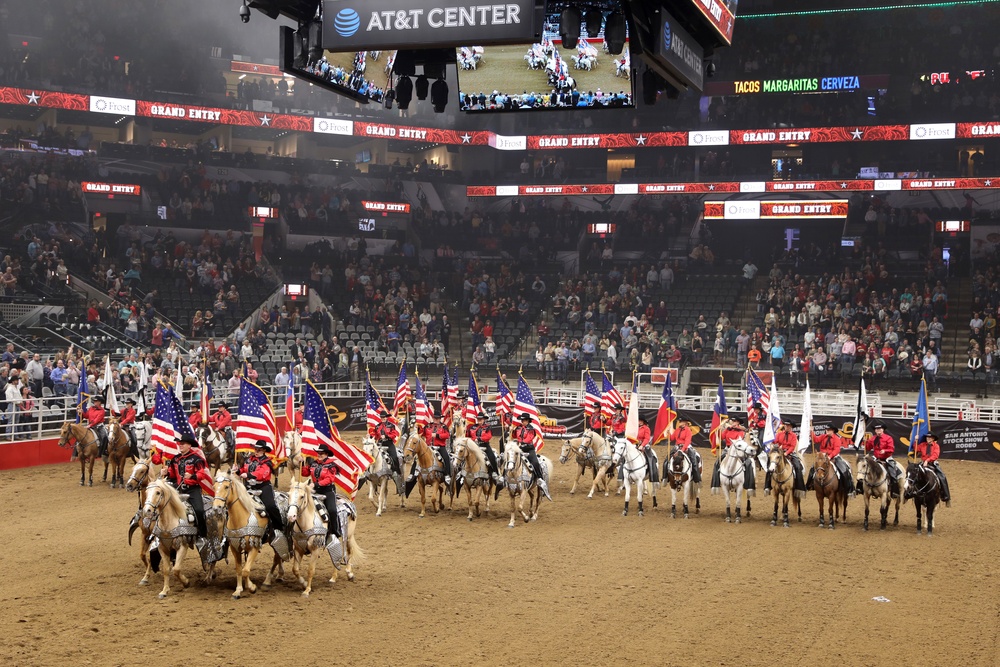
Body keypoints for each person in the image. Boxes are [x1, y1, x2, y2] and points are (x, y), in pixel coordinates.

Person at [161, 435, 208, 537]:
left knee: (199, 510)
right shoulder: (176, 459)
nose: (180, 445)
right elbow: (172, 474)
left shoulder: (196, 459)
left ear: (189, 445)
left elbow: (202, 474)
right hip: (178, 488)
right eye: (180, 443)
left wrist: (192, 476)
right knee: (161, 501)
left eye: (183, 444)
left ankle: (202, 534)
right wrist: (166, 473)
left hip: (193, 489)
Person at [239, 440, 285, 539]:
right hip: (249, 487)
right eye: (255, 449)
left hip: (263, 486)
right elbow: (243, 469)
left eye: (259, 450)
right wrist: (238, 470)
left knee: (270, 506)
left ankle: (279, 528)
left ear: (264, 450)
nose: (256, 451)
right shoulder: (248, 460)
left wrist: (248, 475)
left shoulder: (267, 462)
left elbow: (262, 473)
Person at [301, 444, 341, 538]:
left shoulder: (331, 466)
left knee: (332, 510)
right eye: (318, 453)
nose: (319, 455)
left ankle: (335, 530)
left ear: (326, 454)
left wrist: (316, 484)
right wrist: (302, 464)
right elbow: (304, 473)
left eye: (321, 453)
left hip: (327, 491)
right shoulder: (313, 463)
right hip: (314, 491)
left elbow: (329, 479)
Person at [512, 413, 552, 500]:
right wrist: (512, 430)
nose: (523, 422)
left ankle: (540, 479)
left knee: (535, 463)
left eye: (524, 420)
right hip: (519, 449)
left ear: (528, 421)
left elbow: (529, 438)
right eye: (522, 420)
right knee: (511, 460)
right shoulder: (518, 428)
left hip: (529, 449)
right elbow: (514, 436)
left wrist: (521, 443)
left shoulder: (531, 429)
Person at [808, 425, 854, 498]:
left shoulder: (837, 439)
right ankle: (809, 485)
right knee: (813, 467)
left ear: (833, 431)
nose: (827, 431)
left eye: (829, 430)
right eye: (827, 430)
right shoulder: (823, 436)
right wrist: (812, 432)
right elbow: (816, 440)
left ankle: (848, 488)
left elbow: (837, 450)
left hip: (833, 457)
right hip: (822, 457)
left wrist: (829, 456)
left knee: (843, 469)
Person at [766, 419, 806, 494]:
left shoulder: (794, 436)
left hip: (789, 453)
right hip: (779, 453)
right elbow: (775, 442)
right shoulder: (779, 434)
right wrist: (772, 441)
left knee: (797, 466)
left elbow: (792, 446)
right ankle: (767, 486)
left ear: (791, 427)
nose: (787, 427)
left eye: (789, 426)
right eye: (786, 425)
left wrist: (786, 453)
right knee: (770, 465)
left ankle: (799, 487)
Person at [864, 423, 902, 497]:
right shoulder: (873, 438)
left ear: (883, 430)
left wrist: (885, 450)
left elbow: (891, 449)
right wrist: (866, 442)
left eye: (879, 429)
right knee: (865, 469)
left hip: (887, 458)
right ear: (875, 430)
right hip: (876, 457)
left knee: (893, 473)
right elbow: (868, 448)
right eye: (876, 429)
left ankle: (894, 491)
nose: (878, 430)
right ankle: (862, 488)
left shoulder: (888, 438)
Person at [914, 432, 951, 506]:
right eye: (927, 437)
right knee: (913, 474)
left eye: (930, 437)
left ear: (933, 439)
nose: (928, 438)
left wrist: (928, 460)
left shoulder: (936, 446)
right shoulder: (922, 445)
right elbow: (916, 449)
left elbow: (935, 455)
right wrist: (915, 440)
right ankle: (910, 492)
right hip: (923, 462)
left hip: (932, 463)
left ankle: (945, 495)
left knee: (942, 476)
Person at [422, 412, 453, 485]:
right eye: (435, 418)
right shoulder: (428, 426)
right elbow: (422, 433)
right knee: (418, 457)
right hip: (429, 447)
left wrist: (437, 435)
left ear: (440, 418)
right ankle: (413, 473)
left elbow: (447, 435)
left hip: (440, 447)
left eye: (437, 418)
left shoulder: (444, 427)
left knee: (446, 458)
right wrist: (419, 427)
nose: (436, 419)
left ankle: (447, 474)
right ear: (432, 418)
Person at [374, 409, 402, 477]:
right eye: (381, 417)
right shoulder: (377, 426)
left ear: (386, 417)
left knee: (394, 457)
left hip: (389, 443)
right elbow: (375, 435)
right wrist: (371, 436)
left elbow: (394, 435)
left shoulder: (391, 425)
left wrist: (386, 436)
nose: (383, 418)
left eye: (384, 417)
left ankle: (396, 471)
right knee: (372, 455)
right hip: (380, 444)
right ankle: (368, 472)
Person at [672, 417, 699, 483]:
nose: (679, 423)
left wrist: (683, 449)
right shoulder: (677, 430)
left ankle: (696, 477)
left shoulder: (688, 430)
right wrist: (668, 432)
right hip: (677, 446)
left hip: (686, 446)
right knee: (667, 460)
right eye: (679, 421)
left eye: (680, 422)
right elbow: (672, 438)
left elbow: (687, 441)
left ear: (684, 423)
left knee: (693, 460)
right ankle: (665, 477)